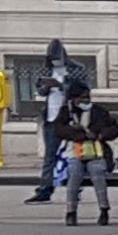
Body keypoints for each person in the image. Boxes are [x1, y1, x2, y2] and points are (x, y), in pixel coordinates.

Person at [25, 39, 91, 204]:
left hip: (69, 119)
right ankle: (45, 190)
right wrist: (45, 87)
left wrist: (61, 85)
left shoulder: (76, 69)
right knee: (50, 157)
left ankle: (74, 188)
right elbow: (40, 90)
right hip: (51, 118)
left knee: (72, 156)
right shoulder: (47, 70)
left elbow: (83, 90)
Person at [54, 81, 118, 227]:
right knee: (74, 175)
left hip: (97, 152)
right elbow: (58, 130)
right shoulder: (66, 112)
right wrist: (79, 134)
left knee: (98, 175)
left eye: (87, 97)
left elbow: (114, 128)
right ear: (74, 99)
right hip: (75, 152)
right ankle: (71, 212)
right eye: (82, 98)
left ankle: (104, 210)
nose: (86, 101)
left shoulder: (99, 112)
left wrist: (101, 135)